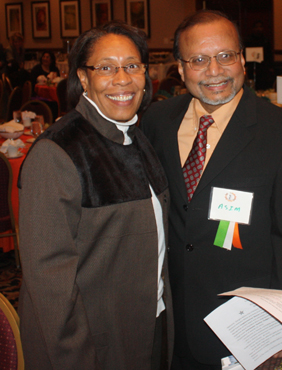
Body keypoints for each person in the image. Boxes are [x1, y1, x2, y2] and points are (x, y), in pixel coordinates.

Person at [141, 10, 282, 370]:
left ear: (242, 60)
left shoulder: (278, 130)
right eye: (199, 60)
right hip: (168, 321)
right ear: (181, 68)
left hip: (240, 326)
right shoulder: (157, 122)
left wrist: (279, 327)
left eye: (225, 56)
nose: (215, 71)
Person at [18, 21, 173, 370]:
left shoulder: (136, 136)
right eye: (105, 68)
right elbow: (50, 286)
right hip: (96, 344)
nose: (122, 78)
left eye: (132, 65)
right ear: (83, 79)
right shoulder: (57, 152)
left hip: (149, 325)